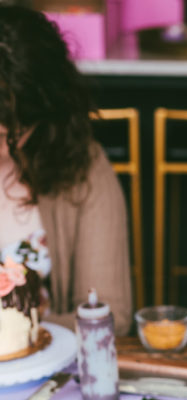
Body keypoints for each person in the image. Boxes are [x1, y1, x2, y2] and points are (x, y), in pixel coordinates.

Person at [0, 6, 131, 334]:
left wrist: (20, 333)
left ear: (42, 118)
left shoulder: (83, 170)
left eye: (7, 136)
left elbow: (111, 314)